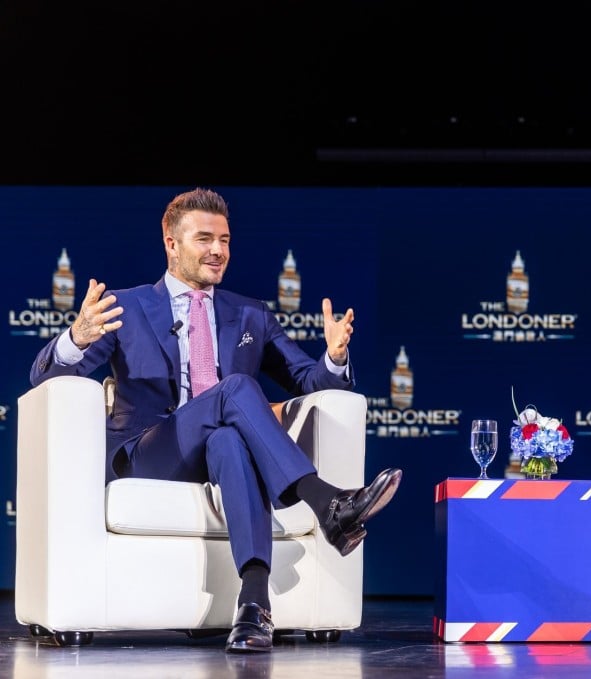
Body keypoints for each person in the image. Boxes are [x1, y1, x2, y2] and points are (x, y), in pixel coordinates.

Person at [29, 187, 402, 654]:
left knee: (229, 440)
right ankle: (326, 502)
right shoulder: (127, 306)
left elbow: (309, 381)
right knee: (238, 389)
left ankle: (254, 605)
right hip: (149, 453)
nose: (218, 250)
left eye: (224, 240)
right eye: (204, 239)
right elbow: (44, 378)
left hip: (218, 456)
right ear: (171, 243)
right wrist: (76, 338)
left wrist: (334, 356)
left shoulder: (250, 314)